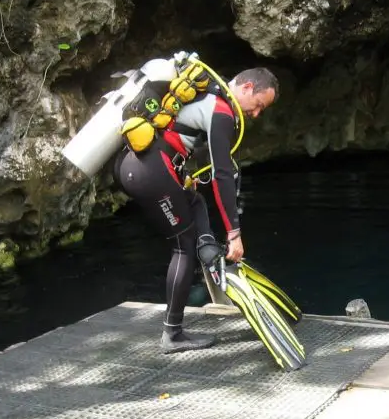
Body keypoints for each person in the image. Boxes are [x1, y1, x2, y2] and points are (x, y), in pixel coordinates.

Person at [112, 65, 279, 354]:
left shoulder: (206, 93)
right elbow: (222, 174)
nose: (256, 114)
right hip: (150, 171)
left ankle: (208, 248)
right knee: (182, 247)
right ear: (248, 88)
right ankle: (172, 335)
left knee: (195, 202)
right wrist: (234, 233)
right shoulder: (223, 111)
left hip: (134, 164)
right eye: (258, 105)